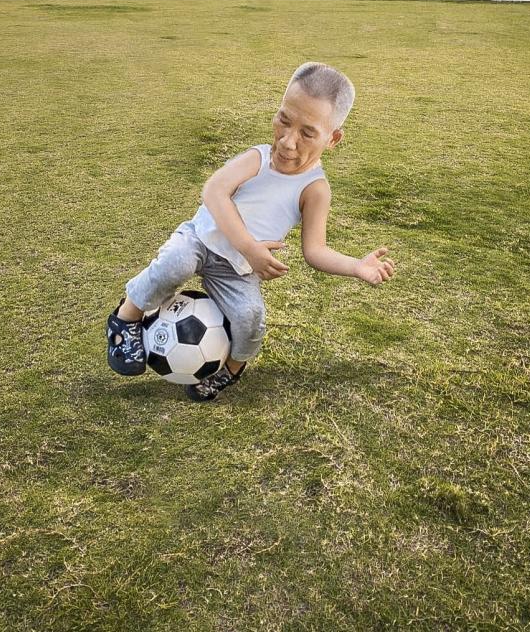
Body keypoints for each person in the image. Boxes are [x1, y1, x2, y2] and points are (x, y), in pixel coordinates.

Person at [106, 62, 396, 402]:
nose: (288, 142)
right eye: (284, 120)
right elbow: (214, 191)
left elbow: (315, 250)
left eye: (307, 132)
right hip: (203, 239)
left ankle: (229, 369)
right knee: (175, 261)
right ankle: (125, 320)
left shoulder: (315, 189)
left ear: (333, 139)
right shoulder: (257, 158)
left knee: (250, 318)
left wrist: (356, 267)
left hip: (238, 270)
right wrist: (249, 246)